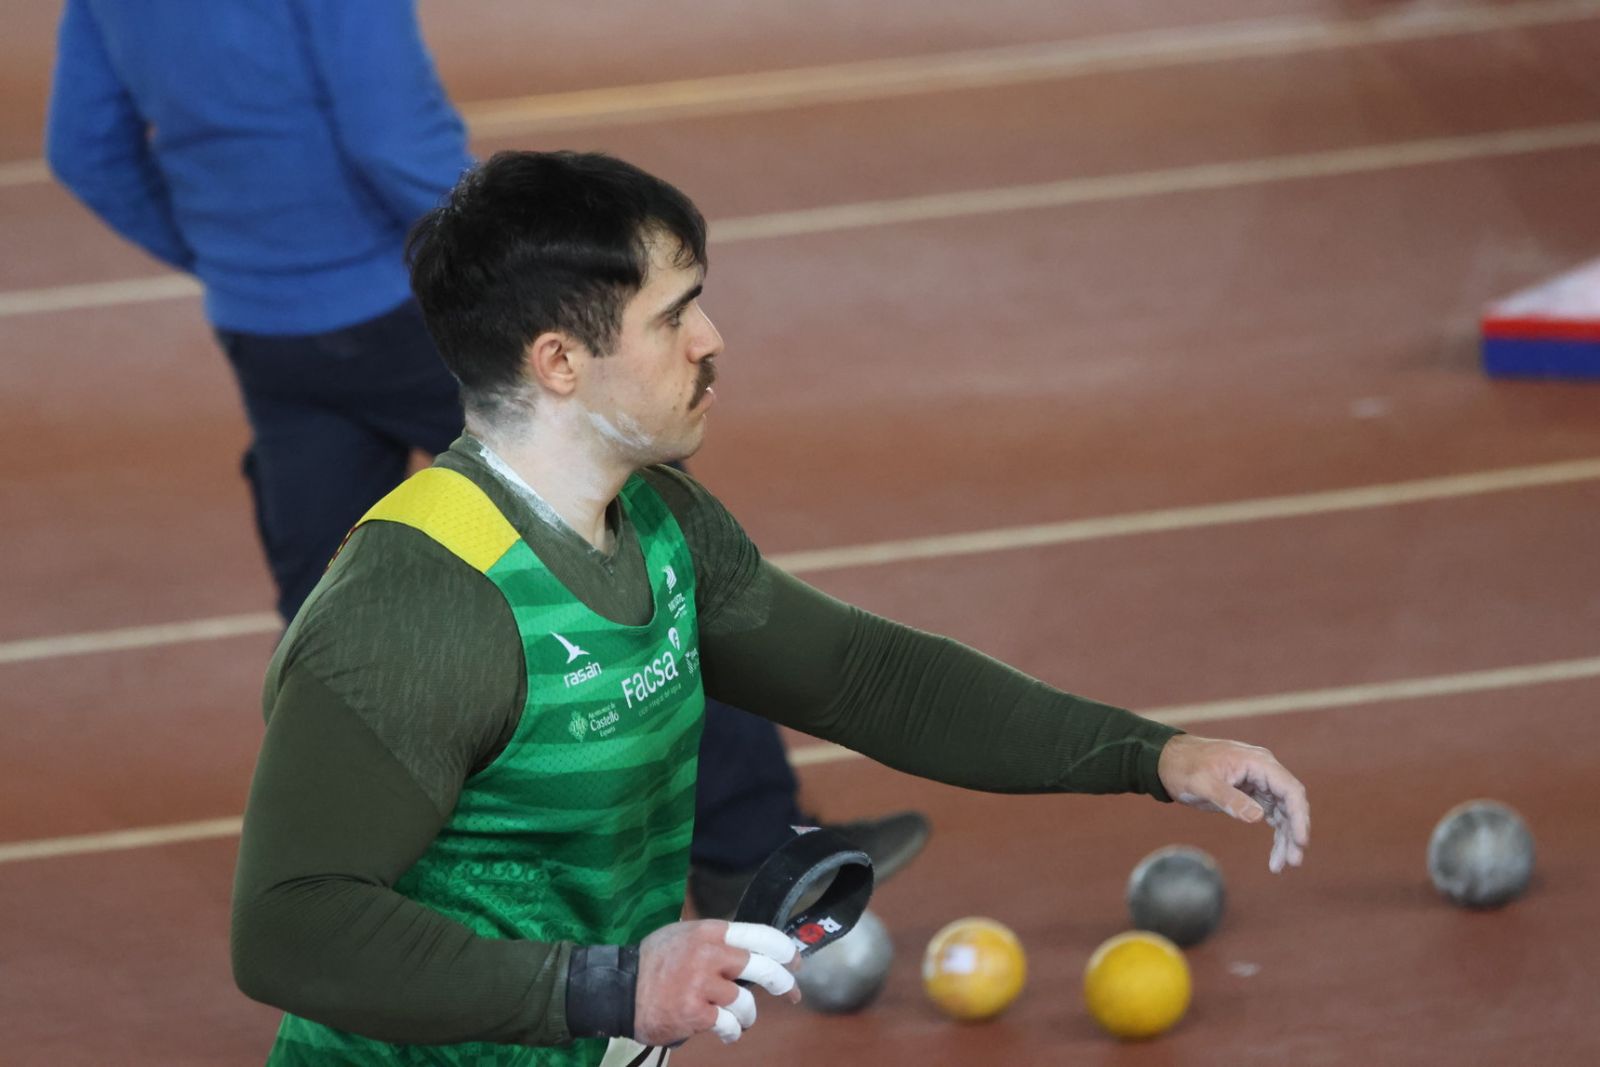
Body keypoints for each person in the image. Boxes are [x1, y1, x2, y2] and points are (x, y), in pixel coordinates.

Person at [228, 150, 1311, 1066]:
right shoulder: (418, 607)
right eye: (673, 314)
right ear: (558, 361)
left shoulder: (658, 520)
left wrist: (1152, 753)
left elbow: (860, 674)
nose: (711, 339)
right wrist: (610, 986)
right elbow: (289, 925)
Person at [41, 0, 927, 912]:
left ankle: (385, 903)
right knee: (643, 536)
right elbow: (389, 134)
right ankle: (747, 848)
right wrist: (525, 267)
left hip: (265, 331)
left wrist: (235, 259)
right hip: (409, 308)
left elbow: (84, 148)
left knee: (342, 611)